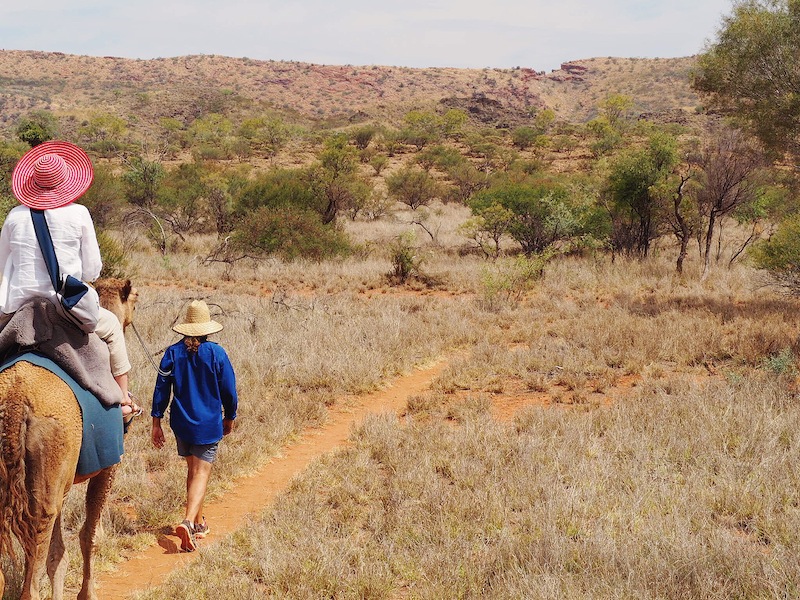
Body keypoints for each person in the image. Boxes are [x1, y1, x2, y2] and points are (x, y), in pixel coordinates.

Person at [0, 140, 138, 420]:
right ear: (66, 184)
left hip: (17, 310)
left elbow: (2, 264)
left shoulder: (14, 216)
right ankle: (123, 400)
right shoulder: (79, 214)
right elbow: (91, 271)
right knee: (111, 325)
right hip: (64, 311)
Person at [151, 299, 238, 552]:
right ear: (207, 329)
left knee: (192, 471)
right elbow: (229, 390)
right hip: (207, 424)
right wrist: (230, 416)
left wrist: (156, 422)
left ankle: (198, 523)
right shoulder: (217, 353)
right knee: (201, 473)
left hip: (181, 423)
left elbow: (161, 389)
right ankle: (188, 522)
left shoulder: (172, 353)